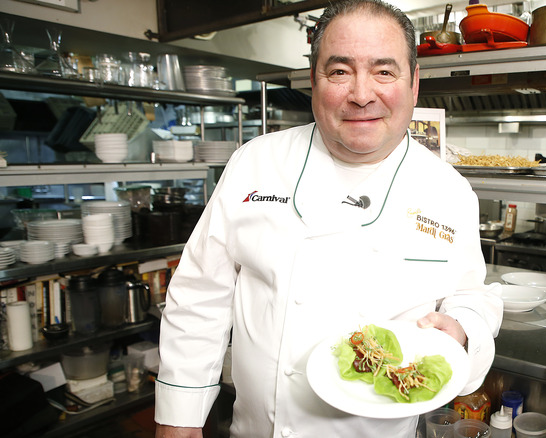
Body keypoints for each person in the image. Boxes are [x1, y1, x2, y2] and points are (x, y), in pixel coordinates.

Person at [154, 1, 503, 436]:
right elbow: (200, 295)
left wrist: (464, 328)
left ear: (414, 84)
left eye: (384, 71)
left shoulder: (448, 191)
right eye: (339, 71)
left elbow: (472, 295)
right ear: (313, 82)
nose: (361, 94)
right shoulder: (256, 163)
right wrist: (179, 416)